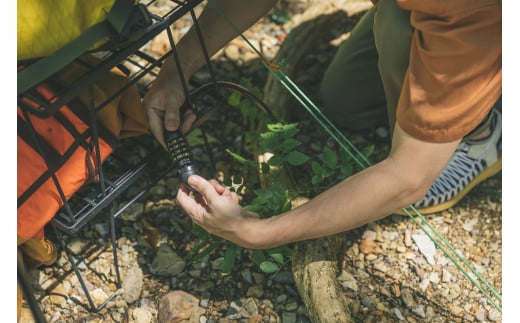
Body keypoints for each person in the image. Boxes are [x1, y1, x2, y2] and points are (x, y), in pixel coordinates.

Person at [143, 0, 501, 249]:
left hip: (481, 24)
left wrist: (256, 231)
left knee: (398, 29)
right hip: (436, 18)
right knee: (347, 100)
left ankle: (481, 132)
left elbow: (406, 179)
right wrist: (177, 69)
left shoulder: (464, 13)